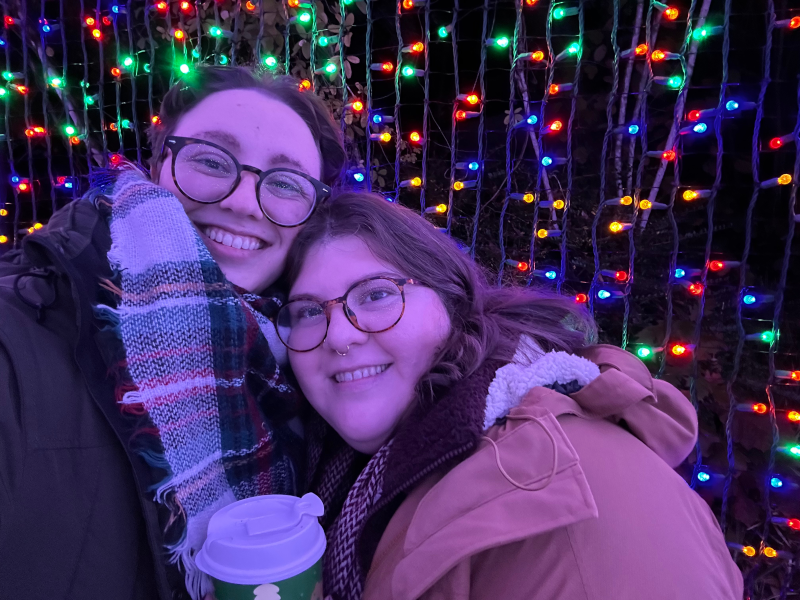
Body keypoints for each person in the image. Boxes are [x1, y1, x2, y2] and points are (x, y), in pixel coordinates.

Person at [276, 191, 745, 600]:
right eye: (309, 311)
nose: (339, 336)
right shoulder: (365, 469)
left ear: (451, 301)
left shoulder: (558, 482)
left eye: (376, 295)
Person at [0, 66, 346, 600]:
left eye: (284, 183)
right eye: (211, 160)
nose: (242, 202)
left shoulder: (318, 358)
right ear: (159, 163)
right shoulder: (19, 333)